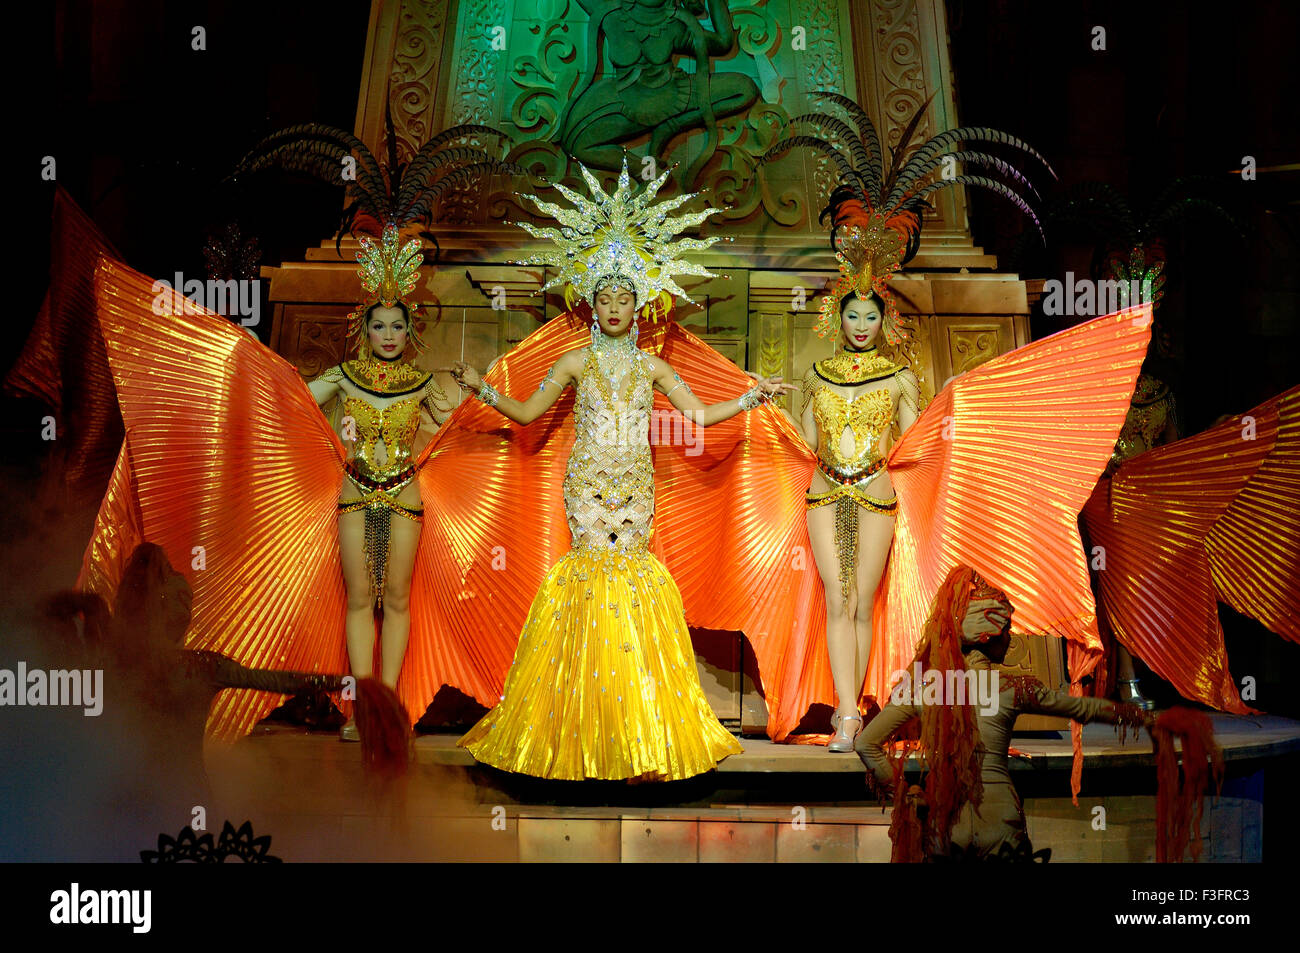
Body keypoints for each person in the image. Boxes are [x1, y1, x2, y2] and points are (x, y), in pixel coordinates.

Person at [450, 160, 792, 780]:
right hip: (585, 490)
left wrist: (748, 398)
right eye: (603, 297)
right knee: (586, 583)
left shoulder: (654, 368)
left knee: (634, 585)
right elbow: (528, 414)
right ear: (591, 303)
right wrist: (484, 393)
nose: (613, 306)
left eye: (623, 297)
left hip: (636, 491)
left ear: (639, 305)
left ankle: (637, 732)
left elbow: (695, 418)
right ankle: (573, 731)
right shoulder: (576, 361)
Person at [856, 565, 1149, 861]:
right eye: (1006, 630)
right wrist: (1144, 718)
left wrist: (903, 797)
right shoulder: (1012, 688)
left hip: (943, 823)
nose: (1010, 639)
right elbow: (1083, 708)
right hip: (1000, 818)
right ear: (985, 638)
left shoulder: (924, 688)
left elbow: (865, 743)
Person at [306, 225, 456, 739]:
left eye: (397, 326)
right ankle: (363, 708)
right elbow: (292, 401)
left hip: (405, 498)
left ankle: (388, 708)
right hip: (353, 495)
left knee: (394, 599)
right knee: (357, 598)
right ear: (364, 330)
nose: (388, 335)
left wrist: (480, 393)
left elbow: (457, 429)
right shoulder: (342, 376)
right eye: (379, 326)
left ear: (409, 332)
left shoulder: (423, 382)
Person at [792, 287, 921, 750]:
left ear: (883, 322)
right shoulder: (815, 376)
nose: (862, 325)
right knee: (836, 598)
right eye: (853, 315)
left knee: (862, 603)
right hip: (824, 489)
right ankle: (846, 711)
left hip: (877, 491)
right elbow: (803, 442)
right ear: (838, 319)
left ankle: (855, 714)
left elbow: (915, 442)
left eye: (871, 316)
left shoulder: (899, 377)